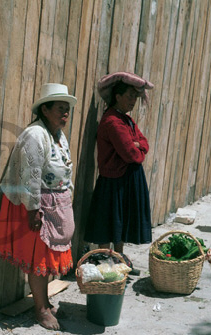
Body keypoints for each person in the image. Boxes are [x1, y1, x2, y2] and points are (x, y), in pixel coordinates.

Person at [0, 83, 77, 330]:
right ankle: (40, 310)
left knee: (48, 259)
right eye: (61, 108)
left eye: (67, 109)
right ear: (45, 109)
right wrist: (33, 209)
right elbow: (30, 174)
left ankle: (45, 302)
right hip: (37, 207)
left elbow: (65, 170)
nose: (65, 113)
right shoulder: (35, 135)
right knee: (39, 259)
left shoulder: (58, 136)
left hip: (54, 205)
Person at [84, 72, 154, 269]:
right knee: (109, 219)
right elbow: (132, 154)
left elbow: (144, 142)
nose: (133, 101)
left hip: (124, 178)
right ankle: (105, 257)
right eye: (130, 96)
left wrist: (137, 143)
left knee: (120, 218)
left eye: (135, 97)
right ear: (118, 96)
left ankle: (118, 256)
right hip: (113, 179)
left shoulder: (125, 120)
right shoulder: (113, 122)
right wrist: (137, 145)